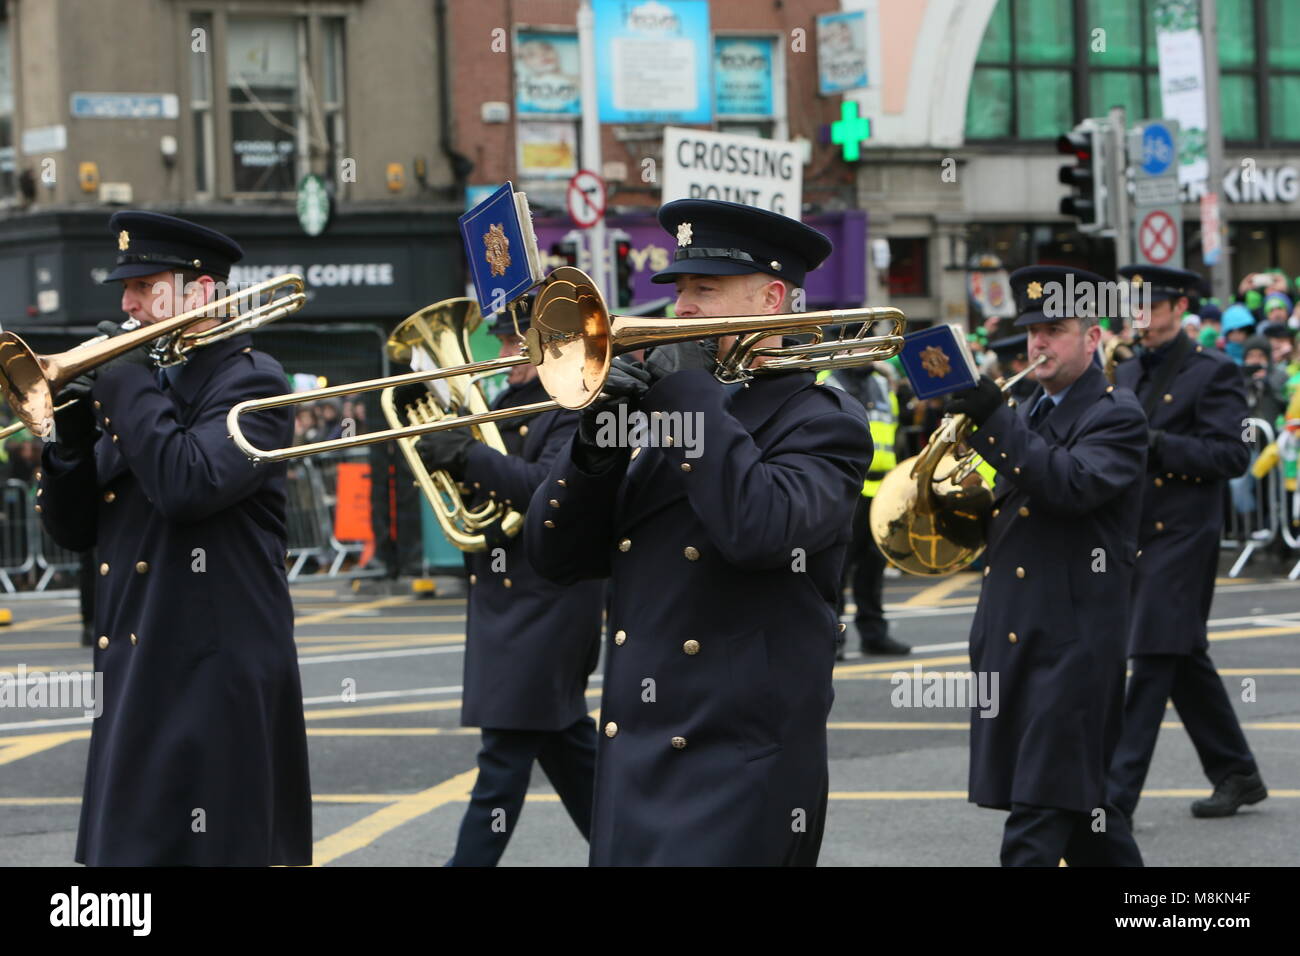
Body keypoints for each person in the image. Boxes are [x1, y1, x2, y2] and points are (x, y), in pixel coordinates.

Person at [524, 199, 870, 866]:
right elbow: (552, 557)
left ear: (771, 300)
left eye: (704, 290)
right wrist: (594, 449)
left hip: (739, 767)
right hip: (639, 760)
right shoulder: (669, 412)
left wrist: (687, 396)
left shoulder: (821, 419)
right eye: (679, 290)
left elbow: (761, 529)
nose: (681, 311)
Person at [36, 210, 311, 865]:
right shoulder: (149, 386)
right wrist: (67, 442)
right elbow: (74, 530)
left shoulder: (253, 383)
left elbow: (188, 486)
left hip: (211, 682)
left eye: (145, 285)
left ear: (201, 292)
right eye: (125, 287)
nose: (126, 303)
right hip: (141, 672)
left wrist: (123, 380)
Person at [944, 265, 1146, 866]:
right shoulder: (1026, 410)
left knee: (1037, 818)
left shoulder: (1116, 414)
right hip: (1016, 638)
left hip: (1072, 645)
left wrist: (993, 422)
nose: (1037, 344)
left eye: (1054, 329)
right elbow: (1003, 508)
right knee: (1086, 822)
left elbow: (1069, 484)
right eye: (1032, 330)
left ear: (1093, 338)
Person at [404, 298, 604, 866]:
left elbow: (546, 491)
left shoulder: (575, 404)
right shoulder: (509, 401)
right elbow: (489, 502)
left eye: (517, 345)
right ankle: (637, 853)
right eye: (506, 344)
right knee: (566, 747)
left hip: (547, 605)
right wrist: (445, 464)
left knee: (503, 762)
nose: (506, 356)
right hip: (515, 604)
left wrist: (466, 454)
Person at [1107, 265, 1267, 823]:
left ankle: (1112, 801)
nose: (1139, 315)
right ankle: (1237, 772)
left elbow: (1231, 456)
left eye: (1150, 305)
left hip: (1183, 535)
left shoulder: (1214, 371)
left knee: (1151, 655)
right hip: (1135, 534)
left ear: (1179, 308)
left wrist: (1156, 444)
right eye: (1134, 304)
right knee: (1182, 656)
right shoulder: (1125, 373)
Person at [819, 361, 910, 657]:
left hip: (883, 491)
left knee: (873, 570)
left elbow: (896, 432)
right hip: (846, 489)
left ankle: (874, 635)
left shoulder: (884, 384)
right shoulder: (826, 380)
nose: (868, 350)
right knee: (836, 570)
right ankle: (833, 638)